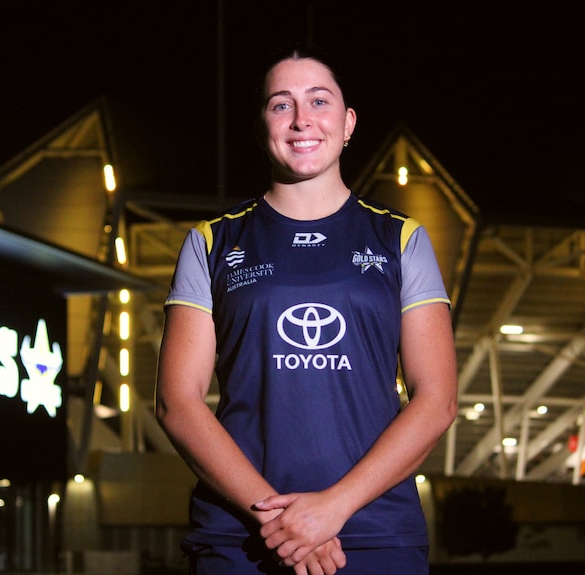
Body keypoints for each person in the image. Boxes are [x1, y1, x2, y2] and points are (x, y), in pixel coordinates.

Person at [154, 44, 458, 575]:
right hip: (242, 538)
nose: (301, 120)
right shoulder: (212, 242)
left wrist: (332, 508)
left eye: (320, 101)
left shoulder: (400, 239)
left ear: (348, 122)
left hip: (372, 533)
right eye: (280, 104)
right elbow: (178, 403)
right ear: (261, 126)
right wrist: (282, 521)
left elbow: (436, 400)